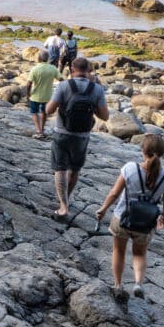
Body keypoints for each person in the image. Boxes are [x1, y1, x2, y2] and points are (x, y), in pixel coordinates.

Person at [94, 134, 164, 298]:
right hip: (146, 223)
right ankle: (138, 283)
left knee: (119, 250)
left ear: (142, 150)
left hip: (122, 217)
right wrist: (163, 219)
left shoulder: (130, 168)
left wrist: (103, 209)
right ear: (162, 153)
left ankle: (118, 285)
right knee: (139, 254)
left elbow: (114, 193)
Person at [45, 56, 109, 218]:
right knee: (74, 170)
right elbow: (105, 117)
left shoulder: (63, 86)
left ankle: (63, 205)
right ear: (88, 71)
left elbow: (49, 110)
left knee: (60, 168)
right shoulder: (96, 89)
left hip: (62, 133)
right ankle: (67, 199)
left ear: (72, 70)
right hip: (82, 136)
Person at [26, 50, 62, 140]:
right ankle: (42, 129)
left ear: (39, 58)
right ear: (47, 59)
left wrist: (28, 94)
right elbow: (61, 79)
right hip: (48, 96)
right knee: (44, 112)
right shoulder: (52, 68)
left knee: (34, 112)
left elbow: (28, 84)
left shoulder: (35, 69)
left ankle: (39, 131)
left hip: (35, 95)